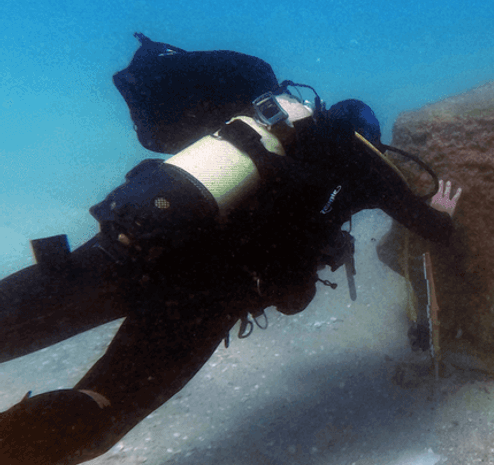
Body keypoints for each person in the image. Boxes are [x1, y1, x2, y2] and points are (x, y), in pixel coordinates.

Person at [0, 34, 462, 465]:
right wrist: (440, 211)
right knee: (105, 404)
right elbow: (433, 229)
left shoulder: (258, 119)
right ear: (371, 140)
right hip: (208, 300)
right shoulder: (365, 163)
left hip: (138, 240)